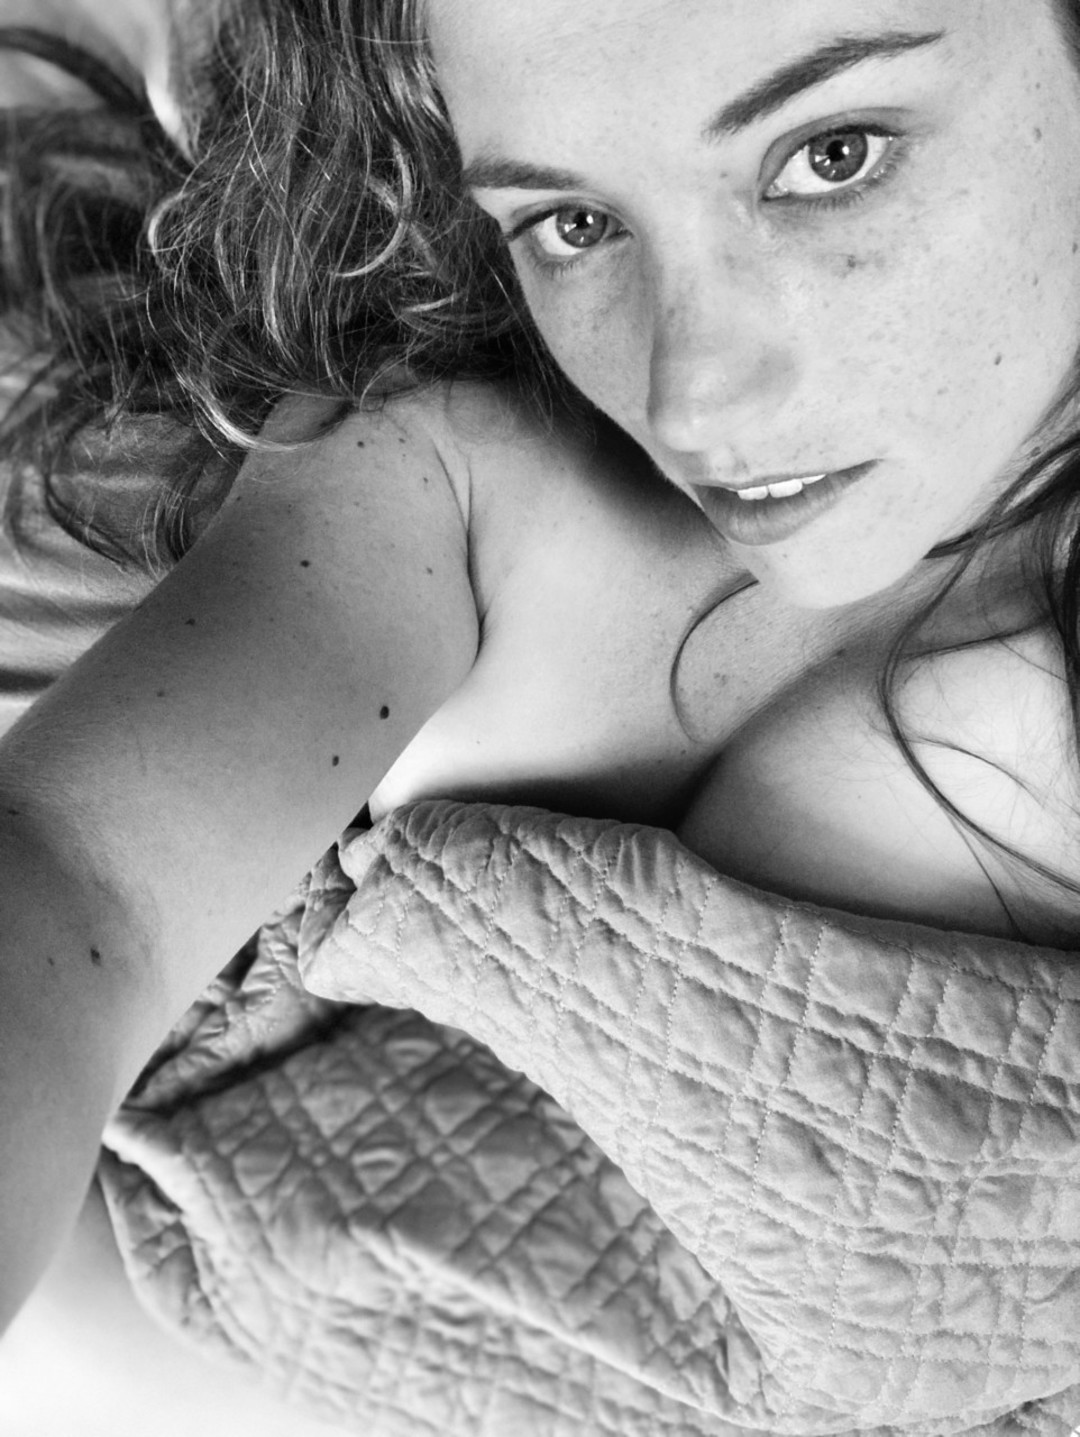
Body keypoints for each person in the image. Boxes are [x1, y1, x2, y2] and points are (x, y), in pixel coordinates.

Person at [0, 0, 1079, 1415]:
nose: (694, 391)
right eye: (573, 224)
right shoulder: (461, 473)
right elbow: (82, 885)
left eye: (834, 155)